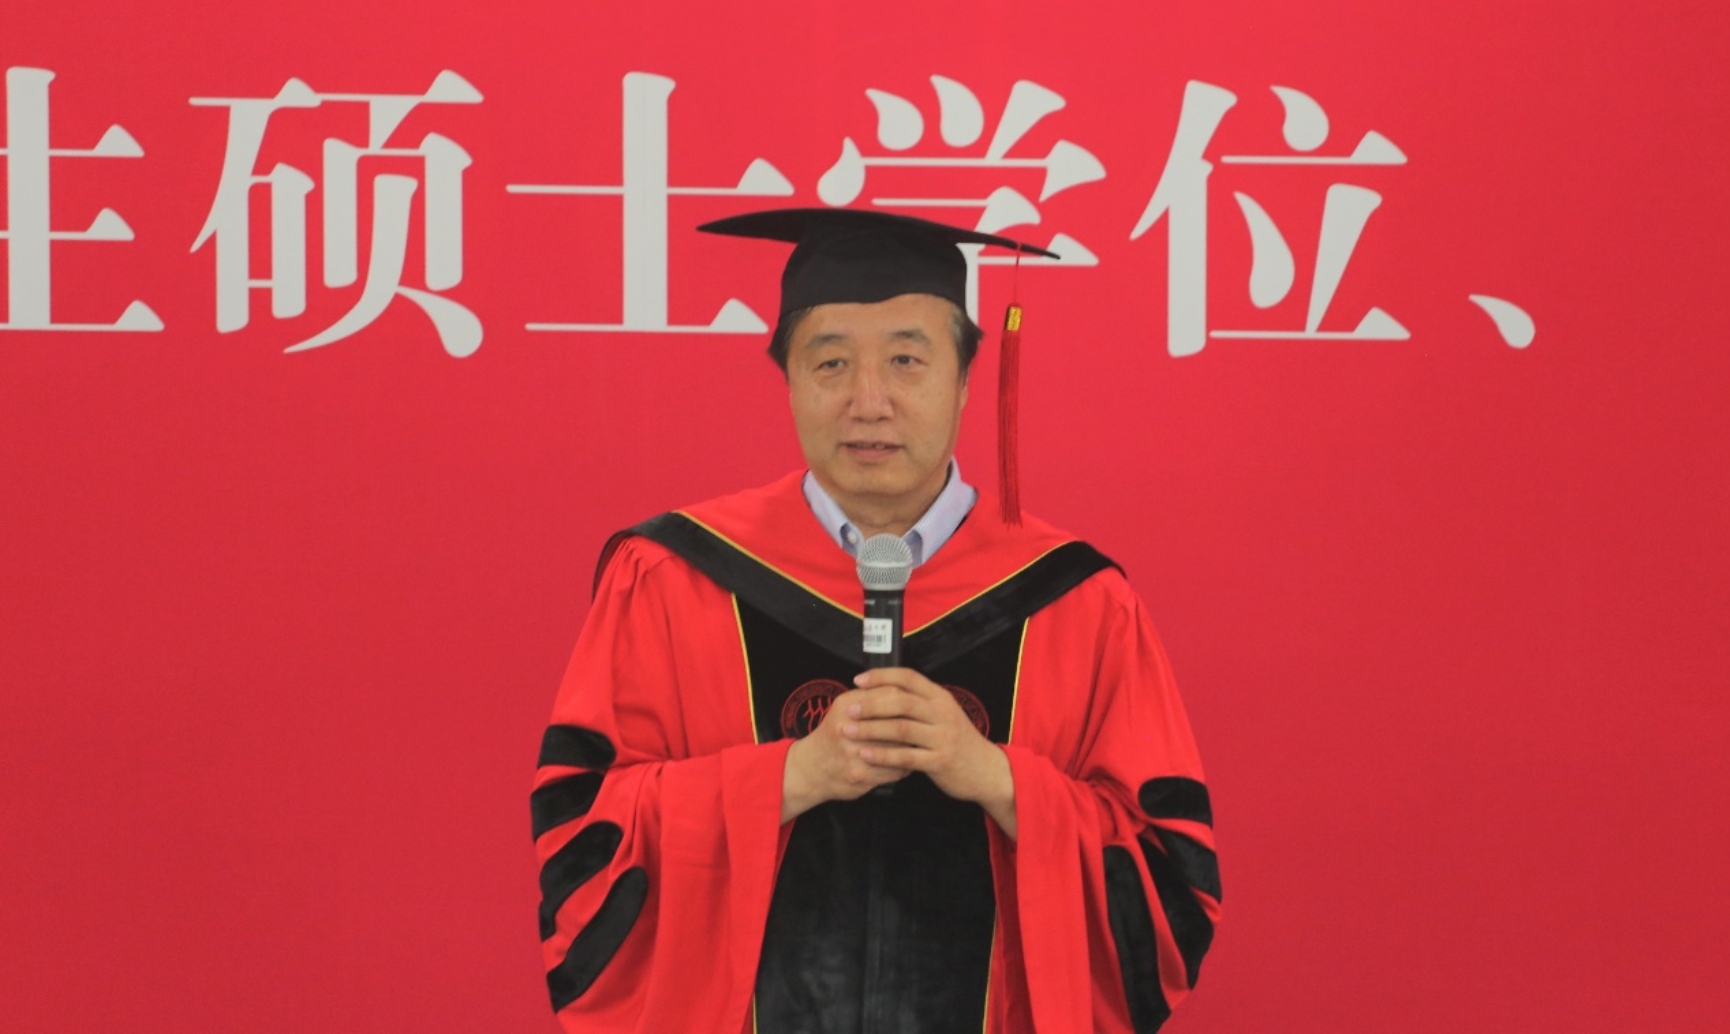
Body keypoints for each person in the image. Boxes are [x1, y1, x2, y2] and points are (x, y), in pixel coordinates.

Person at [530, 208, 1219, 1034]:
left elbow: (1170, 886)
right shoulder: (674, 580)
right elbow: (578, 848)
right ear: (788, 380)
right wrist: (788, 779)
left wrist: (996, 779)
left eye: (906, 360)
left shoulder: (1076, 602)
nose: (868, 401)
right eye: (830, 362)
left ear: (965, 380)